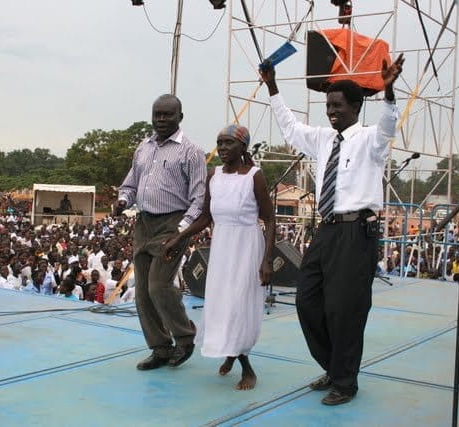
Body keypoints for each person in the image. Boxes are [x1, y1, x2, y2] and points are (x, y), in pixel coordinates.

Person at [260, 53, 405, 405]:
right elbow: (290, 128)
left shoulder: (371, 140)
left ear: (356, 106)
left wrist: (388, 92)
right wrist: (273, 86)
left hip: (356, 231)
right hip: (326, 230)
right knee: (307, 301)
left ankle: (345, 382)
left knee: (345, 309)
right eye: (328, 106)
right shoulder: (324, 139)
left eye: (337, 105)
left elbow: (388, 125)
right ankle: (333, 366)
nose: (331, 111)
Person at [164, 124, 275, 390]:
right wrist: (179, 237)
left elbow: (270, 219)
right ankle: (230, 353)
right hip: (223, 248)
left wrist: (267, 260)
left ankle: (246, 366)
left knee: (239, 306)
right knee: (223, 304)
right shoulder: (213, 175)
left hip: (247, 248)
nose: (223, 147)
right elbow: (205, 218)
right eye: (220, 142)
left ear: (243, 146)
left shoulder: (255, 176)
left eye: (228, 142)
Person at [116, 93, 207, 370]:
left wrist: (181, 231)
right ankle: (160, 348)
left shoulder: (191, 151)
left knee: (159, 285)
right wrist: (123, 201)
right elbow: (130, 185)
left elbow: (199, 198)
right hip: (144, 222)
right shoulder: (143, 148)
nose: (161, 119)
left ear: (180, 117)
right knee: (143, 292)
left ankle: (185, 337)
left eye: (168, 114)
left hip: (172, 224)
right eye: (157, 114)